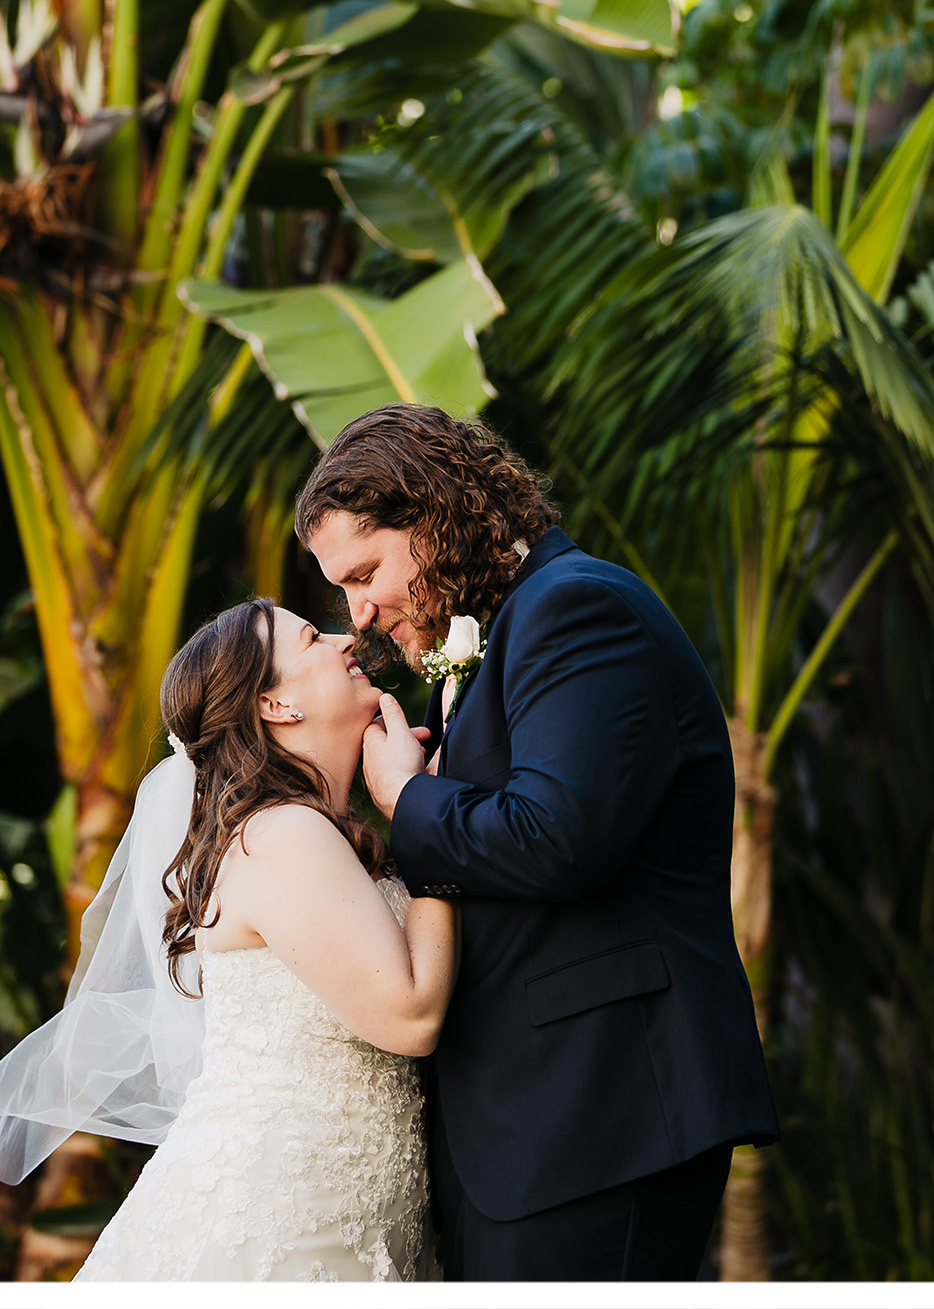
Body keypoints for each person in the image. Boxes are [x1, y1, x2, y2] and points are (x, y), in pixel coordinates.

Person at [298, 402, 779, 1282]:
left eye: (366, 573)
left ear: (434, 512)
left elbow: (559, 837)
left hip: (606, 1113)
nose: (360, 614)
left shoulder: (579, 608)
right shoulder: (496, 636)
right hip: (530, 1131)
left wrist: (408, 798)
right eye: (343, 590)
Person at [0, 596, 455, 1280]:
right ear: (275, 706)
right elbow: (411, 1015)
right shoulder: (278, 834)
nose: (349, 639)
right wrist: (427, 819)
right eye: (315, 638)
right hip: (279, 1216)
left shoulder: (305, 834)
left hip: (345, 1205)